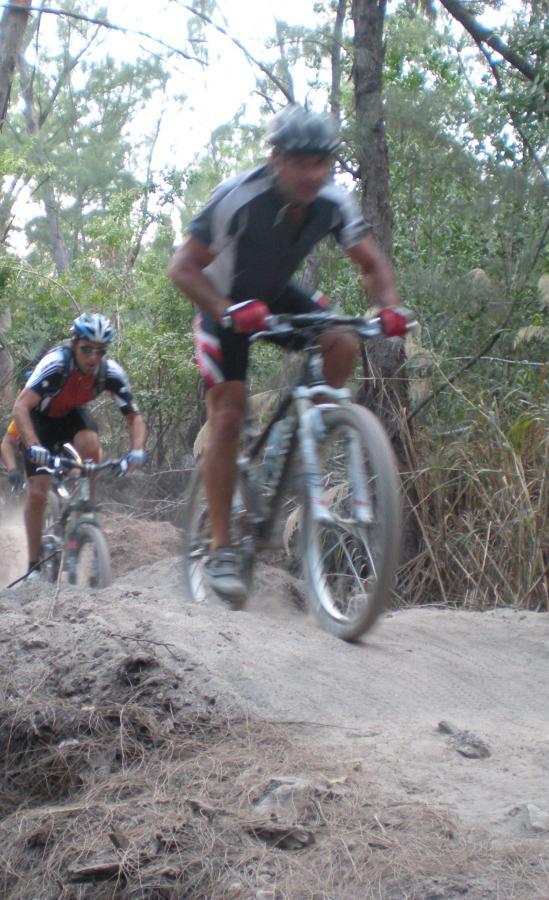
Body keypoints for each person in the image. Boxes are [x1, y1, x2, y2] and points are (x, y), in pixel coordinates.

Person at [167, 105, 410, 603]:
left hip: (276, 293)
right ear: (276, 159)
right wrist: (227, 311)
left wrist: (388, 309)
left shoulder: (333, 203)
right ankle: (221, 548)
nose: (312, 174)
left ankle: (312, 428)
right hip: (222, 303)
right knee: (229, 414)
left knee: (343, 336)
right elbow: (183, 268)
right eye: (301, 162)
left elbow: (370, 263)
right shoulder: (238, 198)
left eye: (321, 163)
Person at [0, 312, 147, 581]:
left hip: (71, 415)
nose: (93, 357)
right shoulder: (56, 365)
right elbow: (20, 407)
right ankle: (33, 564)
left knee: (91, 445)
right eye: (87, 349)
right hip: (40, 420)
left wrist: (136, 451)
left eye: (100, 352)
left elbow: (134, 416)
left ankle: (88, 506)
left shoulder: (110, 372)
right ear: (75, 343)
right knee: (37, 493)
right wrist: (32, 445)